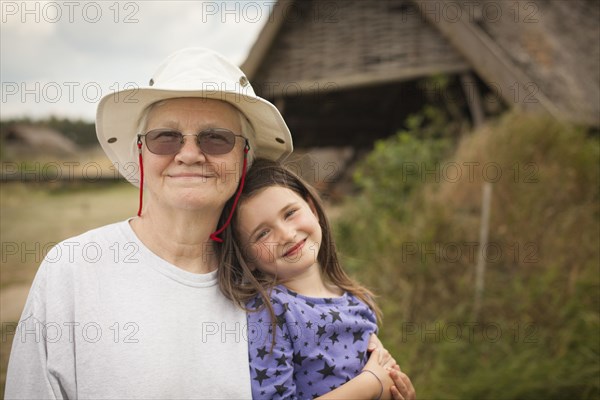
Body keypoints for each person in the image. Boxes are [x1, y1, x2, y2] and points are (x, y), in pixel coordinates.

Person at [4, 47, 414, 400]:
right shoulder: (72, 271)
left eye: (215, 138)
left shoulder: (269, 291)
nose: (189, 153)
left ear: (244, 157)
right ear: (141, 152)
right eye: (167, 137)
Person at [218, 159, 416, 400]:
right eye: (263, 233)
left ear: (312, 209)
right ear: (246, 256)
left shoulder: (356, 302)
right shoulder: (270, 310)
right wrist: (371, 382)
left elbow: (385, 373)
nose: (287, 235)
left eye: (290, 213)